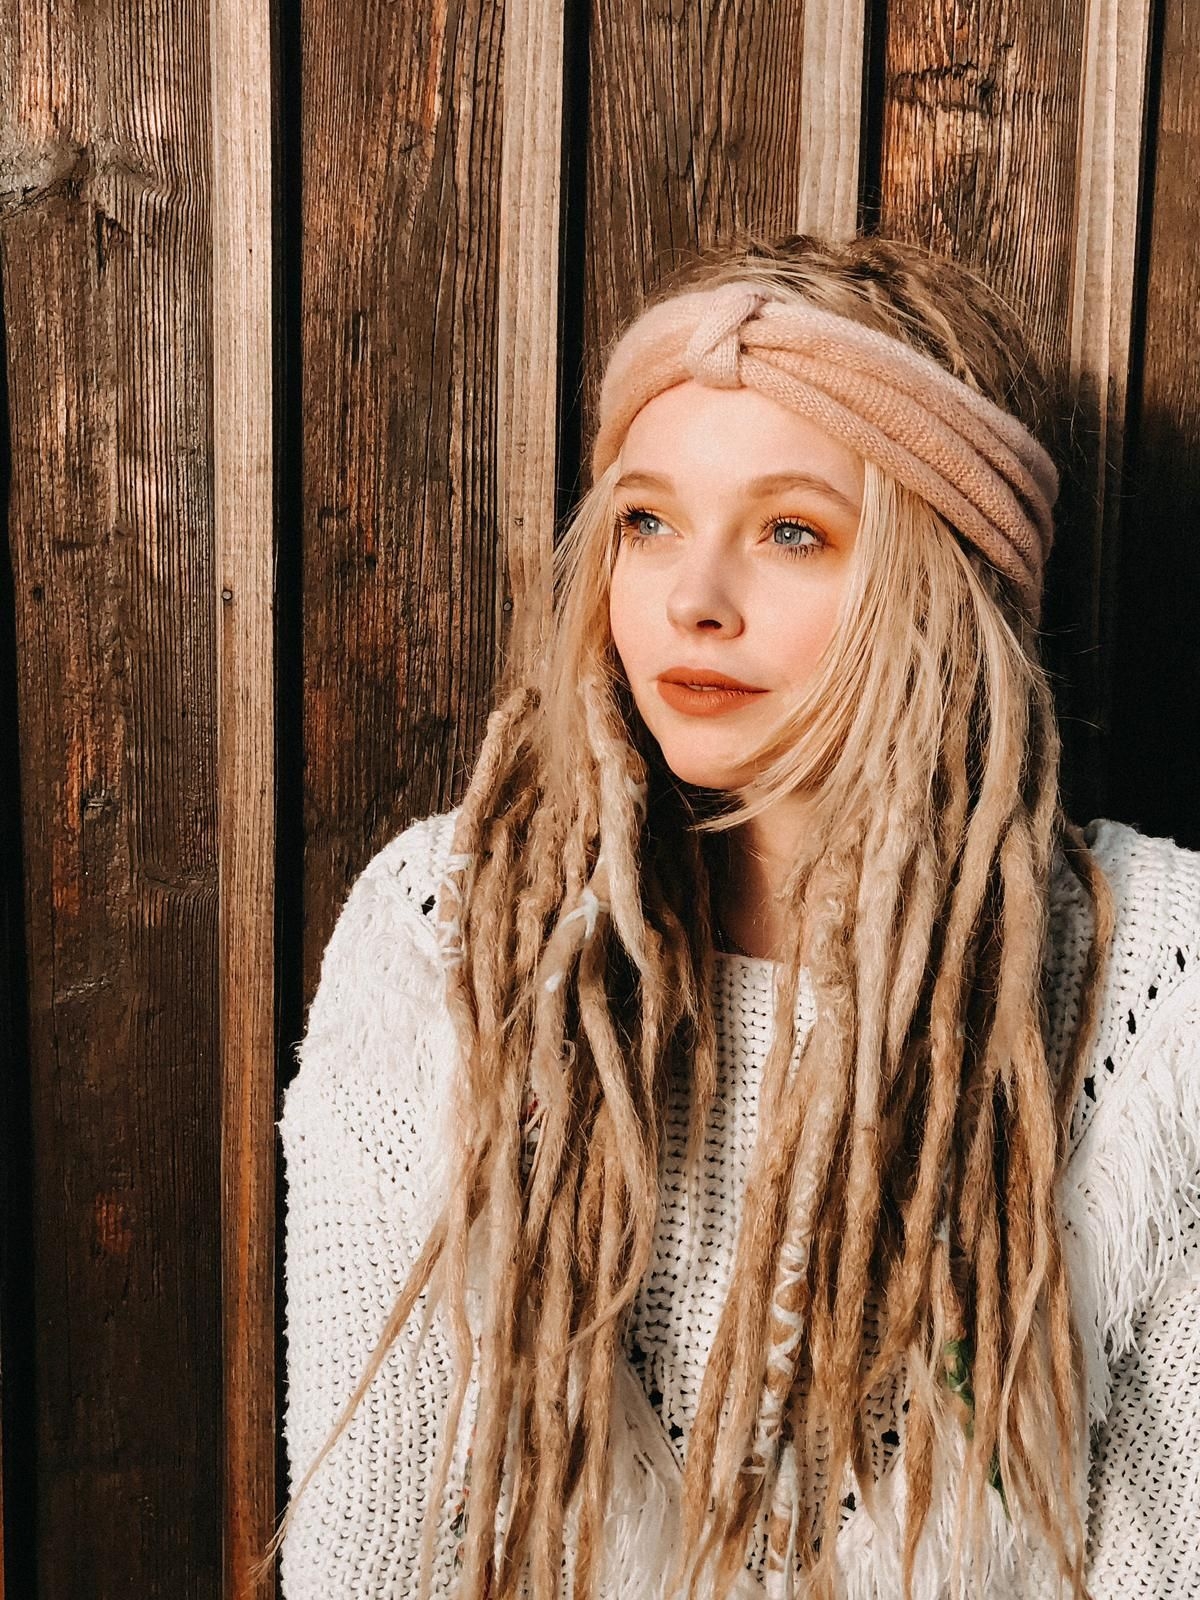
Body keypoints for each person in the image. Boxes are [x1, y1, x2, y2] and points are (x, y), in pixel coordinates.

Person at [273, 234, 1200, 1600]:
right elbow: (368, 1546)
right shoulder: (452, 929)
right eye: (647, 522)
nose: (692, 600)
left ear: (946, 577)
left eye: (791, 533)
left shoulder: (1159, 978)